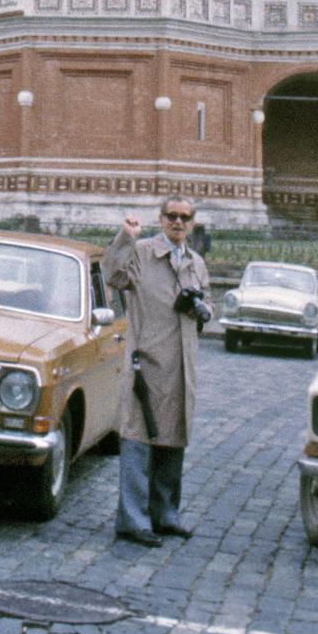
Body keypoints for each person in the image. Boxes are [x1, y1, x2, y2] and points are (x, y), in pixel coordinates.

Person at [102, 195, 212, 547]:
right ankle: (132, 520)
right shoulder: (144, 253)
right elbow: (113, 274)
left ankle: (165, 514)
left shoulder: (196, 263)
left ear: (192, 223)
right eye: (171, 216)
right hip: (147, 362)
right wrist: (125, 238)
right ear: (160, 218)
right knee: (139, 440)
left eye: (184, 217)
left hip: (182, 366)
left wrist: (201, 308)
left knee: (173, 440)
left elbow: (206, 305)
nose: (178, 223)